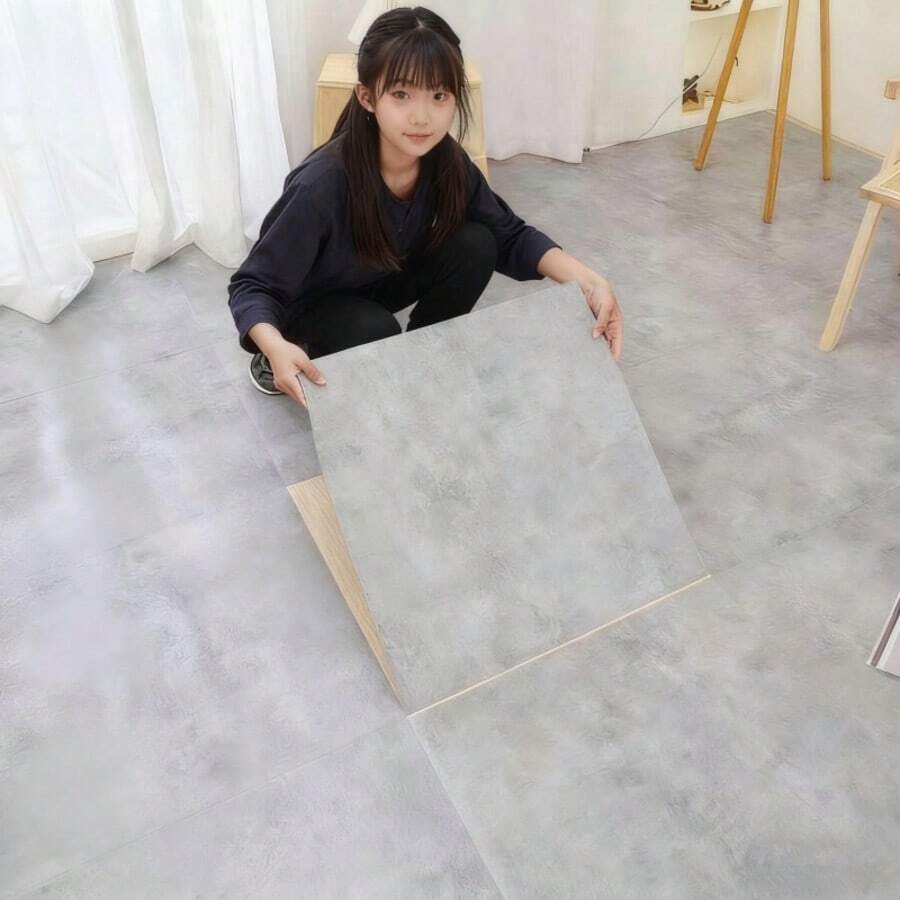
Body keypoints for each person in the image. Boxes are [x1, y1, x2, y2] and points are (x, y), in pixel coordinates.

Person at [227, 5, 623, 408]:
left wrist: (591, 282)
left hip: (374, 281)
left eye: (439, 95)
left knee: (476, 243)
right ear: (367, 96)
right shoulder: (320, 185)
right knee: (374, 330)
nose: (422, 117)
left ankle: (421, 356)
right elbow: (252, 284)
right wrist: (273, 343)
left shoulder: (446, 161)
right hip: (308, 305)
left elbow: (510, 235)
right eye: (401, 95)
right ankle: (294, 349)